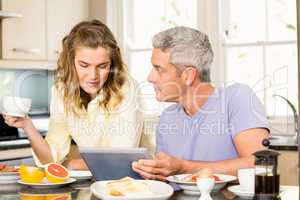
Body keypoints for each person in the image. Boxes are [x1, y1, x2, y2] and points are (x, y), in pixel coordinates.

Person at [132, 26, 269, 180]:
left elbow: (260, 165)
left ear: (188, 75)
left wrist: (184, 167)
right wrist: (152, 173)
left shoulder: (237, 98)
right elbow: (165, 181)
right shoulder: (167, 117)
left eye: (159, 69)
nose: (150, 77)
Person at [3, 20, 143, 169]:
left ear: (112, 64)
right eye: (84, 65)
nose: (93, 76)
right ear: (71, 62)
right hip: (95, 184)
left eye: (102, 66)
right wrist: (26, 125)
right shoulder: (62, 91)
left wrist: (71, 164)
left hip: (132, 184)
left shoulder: (126, 88)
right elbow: (50, 160)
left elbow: (121, 160)